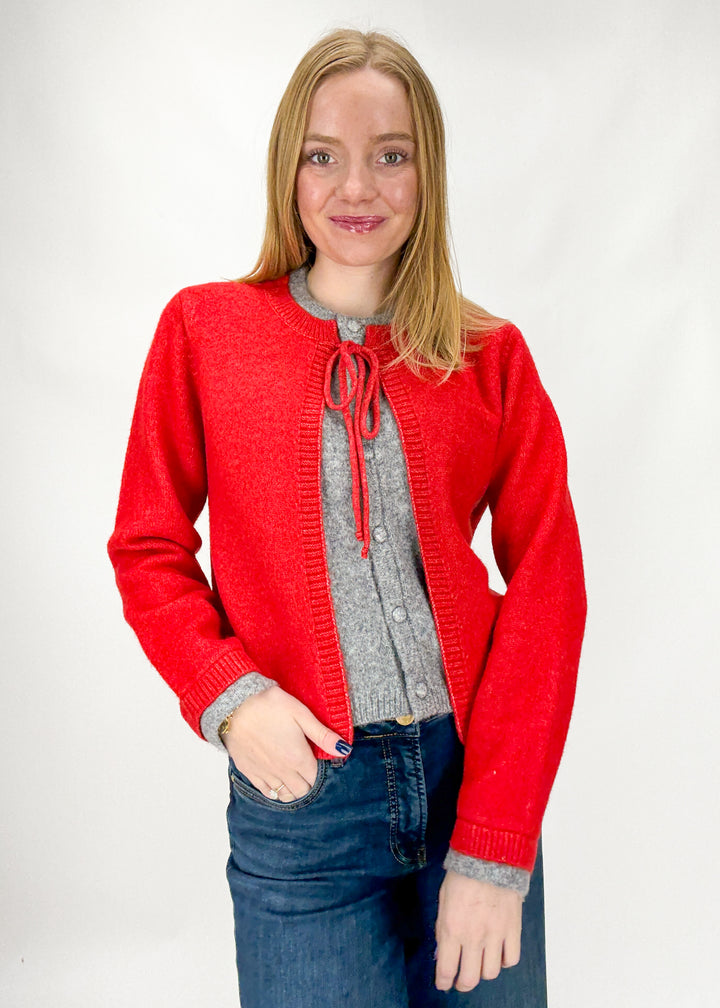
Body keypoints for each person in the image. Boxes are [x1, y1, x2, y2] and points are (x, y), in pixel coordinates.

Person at [107, 27, 586, 1008]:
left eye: (390, 155)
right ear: (288, 170)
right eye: (323, 156)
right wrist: (232, 697)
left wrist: (495, 846)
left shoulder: (488, 356)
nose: (356, 186)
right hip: (305, 803)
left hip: (473, 780)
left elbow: (548, 587)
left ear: (428, 171)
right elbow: (147, 546)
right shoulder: (206, 331)